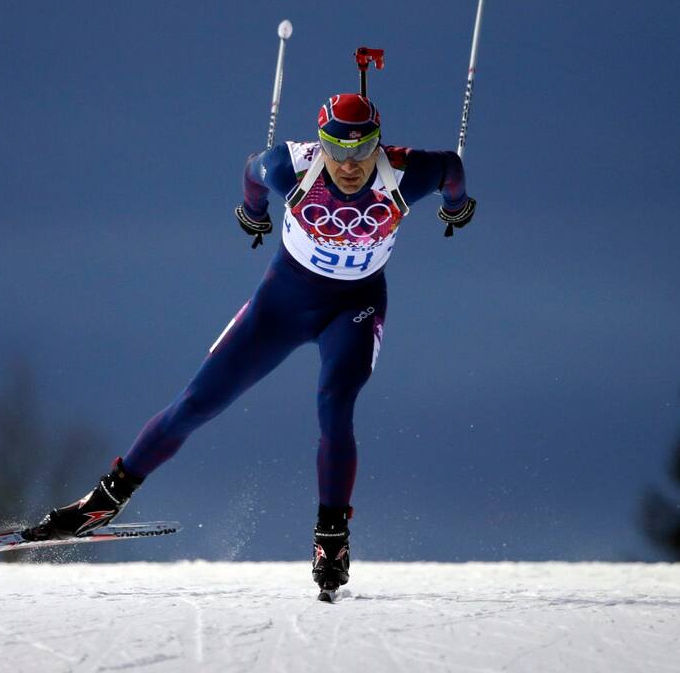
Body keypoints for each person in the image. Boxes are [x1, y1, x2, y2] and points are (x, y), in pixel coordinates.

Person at [25, 93, 475, 594]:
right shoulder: (290, 166)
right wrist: (252, 210)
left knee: (335, 405)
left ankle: (331, 537)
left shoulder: (406, 173)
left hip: (354, 309)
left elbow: (452, 170)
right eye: (336, 151)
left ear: (379, 144)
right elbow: (251, 170)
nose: (349, 165)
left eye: (361, 150)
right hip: (281, 306)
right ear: (320, 144)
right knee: (197, 402)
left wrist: (455, 207)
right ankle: (102, 503)